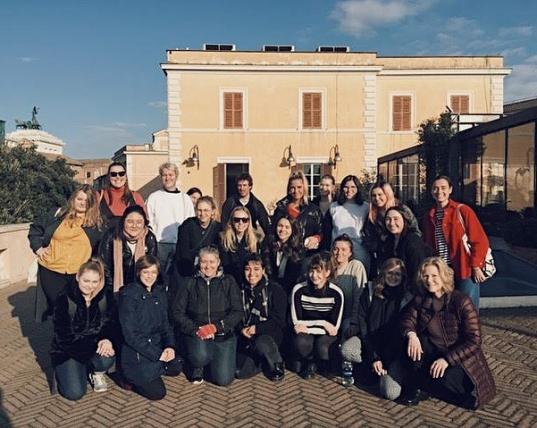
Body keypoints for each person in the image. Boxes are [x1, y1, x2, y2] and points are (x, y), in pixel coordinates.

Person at [400, 257, 496, 409]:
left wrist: (447, 360)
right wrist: (411, 335)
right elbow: (407, 319)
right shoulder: (421, 299)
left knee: (464, 396)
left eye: (434, 276)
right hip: (433, 351)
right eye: (425, 276)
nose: (429, 280)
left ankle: (428, 383)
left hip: (457, 356)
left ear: (443, 276)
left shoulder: (461, 301)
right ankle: (422, 384)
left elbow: (474, 340)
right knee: (415, 345)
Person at [28, 184, 103, 320]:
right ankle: (62, 338)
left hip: (78, 273)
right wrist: (38, 248)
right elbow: (35, 229)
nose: (82, 203)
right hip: (51, 270)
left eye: (87, 201)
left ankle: (82, 337)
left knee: (83, 308)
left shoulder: (96, 224)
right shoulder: (57, 215)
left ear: (91, 204)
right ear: (73, 198)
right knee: (59, 309)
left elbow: (103, 245)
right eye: (80, 199)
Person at [341, 258, 413, 397]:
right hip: (370, 343)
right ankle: (369, 367)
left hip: (394, 352)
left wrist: (384, 361)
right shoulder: (369, 291)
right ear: (383, 273)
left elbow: (399, 337)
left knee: (390, 393)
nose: (393, 277)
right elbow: (363, 325)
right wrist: (374, 357)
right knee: (347, 349)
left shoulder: (407, 298)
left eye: (397, 274)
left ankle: (391, 374)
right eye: (390, 273)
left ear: (403, 277)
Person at [173, 246, 243, 386]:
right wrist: (196, 329)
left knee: (223, 380)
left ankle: (214, 361)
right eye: (204, 261)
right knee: (200, 357)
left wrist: (216, 327)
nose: (208, 266)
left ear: (218, 262)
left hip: (222, 333)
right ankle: (197, 365)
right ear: (199, 262)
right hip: (198, 333)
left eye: (212, 262)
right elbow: (177, 312)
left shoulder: (228, 282)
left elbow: (238, 311)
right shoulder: (189, 282)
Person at [51, 259, 117, 401]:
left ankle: (95, 372)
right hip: (68, 350)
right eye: (86, 281)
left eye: (95, 282)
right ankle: (69, 371)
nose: (90, 286)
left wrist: (107, 339)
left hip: (92, 345)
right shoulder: (64, 298)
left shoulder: (104, 297)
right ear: (78, 277)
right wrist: (89, 355)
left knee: (107, 358)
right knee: (75, 393)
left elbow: (110, 323)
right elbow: (64, 337)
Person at [118, 255, 182, 400]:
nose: (149, 276)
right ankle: (127, 377)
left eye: (153, 272)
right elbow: (130, 334)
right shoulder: (129, 294)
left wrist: (169, 346)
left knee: (176, 366)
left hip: (157, 345)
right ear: (138, 272)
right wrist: (156, 354)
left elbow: (166, 325)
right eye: (145, 272)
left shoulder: (160, 293)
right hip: (138, 351)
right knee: (158, 393)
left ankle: (158, 367)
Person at [421, 176, 489, 310]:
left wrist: (476, 266)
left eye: (443, 188)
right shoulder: (429, 216)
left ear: (450, 190)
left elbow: (480, 240)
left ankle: (470, 332)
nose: (439, 191)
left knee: (467, 308)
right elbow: (428, 245)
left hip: (465, 267)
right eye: (435, 188)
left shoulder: (462, 211)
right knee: (447, 309)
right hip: (442, 270)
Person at [290, 253, 344, 379]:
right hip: (307, 333)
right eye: (311, 271)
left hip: (324, 335)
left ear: (327, 272)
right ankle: (307, 360)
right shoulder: (299, 289)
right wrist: (324, 324)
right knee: (301, 344)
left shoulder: (336, 293)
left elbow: (334, 328)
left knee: (323, 348)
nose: (314, 276)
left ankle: (318, 362)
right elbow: (297, 322)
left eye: (319, 271)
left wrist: (314, 325)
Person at [235, 255, 287, 381]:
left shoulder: (275, 290)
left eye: (256, 269)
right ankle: (262, 361)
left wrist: (256, 328)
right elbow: (233, 315)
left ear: (263, 270)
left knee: (262, 342)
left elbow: (279, 321)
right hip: (246, 337)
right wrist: (241, 329)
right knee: (240, 372)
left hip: (269, 335)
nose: (252, 273)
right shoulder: (238, 290)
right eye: (248, 269)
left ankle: (276, 363)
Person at [331, 234, 368, 386]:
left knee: (346, 329)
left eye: (344, 249)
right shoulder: (328, 267)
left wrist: (354, 321)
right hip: (331, 317)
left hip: (348, 316)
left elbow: (359, 297)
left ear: (350, 252)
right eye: (336, 249)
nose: (339, 253)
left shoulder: (356, 267)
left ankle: (347, 367)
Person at [363, 182, 420, 277]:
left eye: (380, 194)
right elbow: (369, 237)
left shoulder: (402, 209)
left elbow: (415, 230)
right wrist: (380, 244)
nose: (377, 198)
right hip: (385, 255)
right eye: (374, 195)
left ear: (387, 194)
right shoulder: (372, 215)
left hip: (405, 252)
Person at [146, 162, 195, 274]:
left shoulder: (185, 198)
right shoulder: (154, 197)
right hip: (160, 245)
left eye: (170, 175)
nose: (168, 178)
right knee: (160, 275)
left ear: (176, 176)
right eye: (164, 175)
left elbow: (190, 221)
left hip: (180, 244)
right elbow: (149, 221)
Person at [99, 205, 158, 293]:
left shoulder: (149, 238)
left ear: (144, 223)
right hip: (114, 287)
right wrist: (113, 288)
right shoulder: (112, 236)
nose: (134, 226)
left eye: (139, 222)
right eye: (130, 221)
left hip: (140, 287)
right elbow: (104, 265)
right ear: (123, 222)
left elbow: (150, 266)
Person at [272, 171, 323, 261]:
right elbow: (273, 232)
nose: (296, 191)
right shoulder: (281, 208)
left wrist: (316, 238)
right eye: (293, 188)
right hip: (285, 256)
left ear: (304, 188)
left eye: (299, 187)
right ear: (288, 189)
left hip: (307, 256)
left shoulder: (313, 210)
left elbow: (321, 231)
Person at [379, 207, 432, 290]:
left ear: (405, 220)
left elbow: (418, 270)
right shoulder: (388, 241)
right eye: (388, 219)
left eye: (396, 219)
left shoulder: (413, 241)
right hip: (395, 284)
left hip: (413, 288)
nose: (392, 223)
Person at [324, 175, 370, 272]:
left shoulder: (365, 207)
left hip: (358, 250)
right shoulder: (334, 207)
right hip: (338, 251)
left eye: (353, 187)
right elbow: (327, 231)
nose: (349, 190)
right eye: (346, 187)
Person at [174, 196, 222, 279]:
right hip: (187, 270)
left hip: (209, 270)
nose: (202, 214)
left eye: (206, 210)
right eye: (199, 210)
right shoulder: (187, 226)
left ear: (212, 211)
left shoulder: (218, 228)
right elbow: (183, 251)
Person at [262, 216, 304, 295]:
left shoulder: (298, 248)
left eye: (287, 227)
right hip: (271, 288)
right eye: (280, 226)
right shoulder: (268, 244)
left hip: (289, 289)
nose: (282, 230)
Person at [221, 173, 271, 238]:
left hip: (250, 237)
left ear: (250, 186)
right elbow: (224, 223)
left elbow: (265, 224)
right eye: (239, 185)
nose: (242, 188)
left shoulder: (257, 204)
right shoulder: (229, 203)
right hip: (233, 236)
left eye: (244, 185)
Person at [218, 206, 260, 284]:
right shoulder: (223, 239)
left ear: (248, 222)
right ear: (232, 221)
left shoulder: (254, 239)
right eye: (237, 220)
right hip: (229, 280)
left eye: (244, 220)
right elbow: (224, 263)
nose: (241, 223)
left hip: (248, 279)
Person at [98, 162, 145, 228]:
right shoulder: (99, 196)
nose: (118, 177)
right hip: (104, 237)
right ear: (109, 177)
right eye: (113, 174)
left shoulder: (136, 197)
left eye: (121, 174)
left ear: (126, 176)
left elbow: (144, 222)